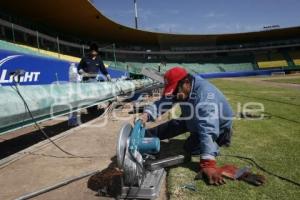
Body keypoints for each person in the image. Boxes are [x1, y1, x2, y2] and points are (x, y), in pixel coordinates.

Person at [139, 67, 234, 185]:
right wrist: (147, 114)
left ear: (186, 83)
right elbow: (164, 102)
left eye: (175, 91)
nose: (174, 95)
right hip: (193, 117)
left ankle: (219, 143)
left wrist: (208, 164)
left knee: (190, 148)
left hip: (218, 128)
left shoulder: (205, 97)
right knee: (174, 124)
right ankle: (144, 135)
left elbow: (208, 129)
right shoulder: (183, 87)